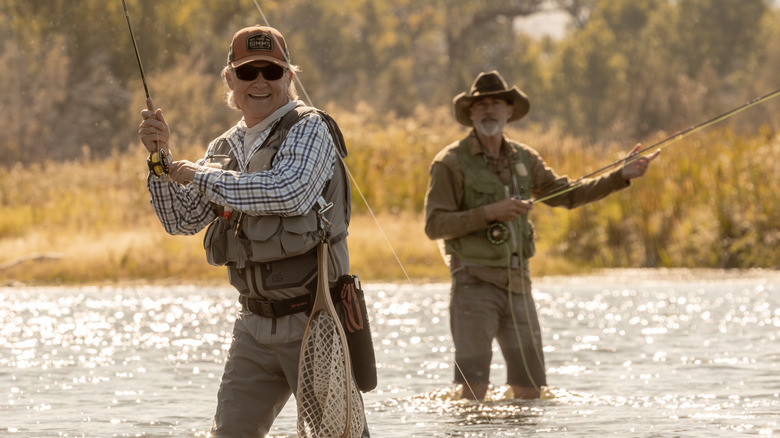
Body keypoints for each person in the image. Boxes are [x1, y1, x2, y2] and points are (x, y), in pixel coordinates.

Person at [138, 25, 370, 436]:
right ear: (230, 80)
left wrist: (199, 175)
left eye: (271, 71)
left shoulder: (311, 127)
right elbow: (181, 221)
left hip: (316, 319)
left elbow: (289, 194)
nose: (260, 82)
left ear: (289, 78)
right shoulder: (223, 147)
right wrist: (160, 159)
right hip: (252, 325)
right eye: (247, 73)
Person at [423, 70, 658, 401]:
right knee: (474, 391)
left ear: (510, 112)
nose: (488, 110)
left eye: (496, 104)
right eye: (481, 105)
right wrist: (490, 212)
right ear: (471, 114)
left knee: (531, 390)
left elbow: (569, 194)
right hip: (472, 286)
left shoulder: (524, 158)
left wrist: (620, 176)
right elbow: (435, 225)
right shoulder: (449, 163)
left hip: (520, 287)